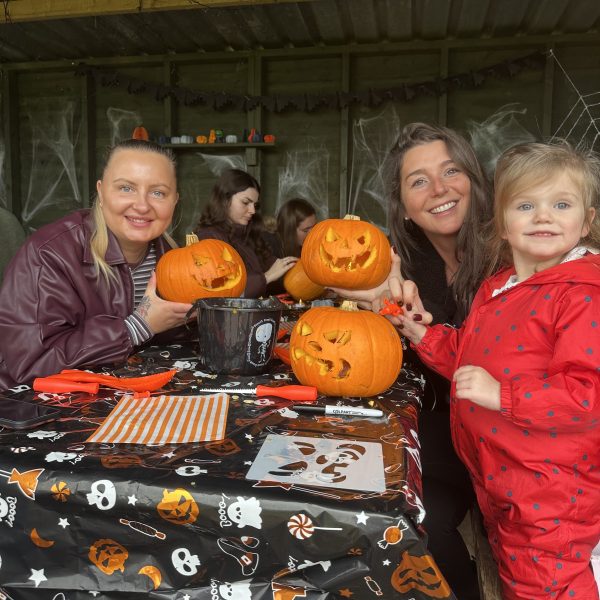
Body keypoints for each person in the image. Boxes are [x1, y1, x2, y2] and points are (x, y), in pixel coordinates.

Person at [398, 140, 600, 600]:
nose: (543, 216)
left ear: (586, 221)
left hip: (552, 490)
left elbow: (589, 394)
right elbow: (473, 358)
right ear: (503, 225)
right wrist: (422, 336)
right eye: (526, 205)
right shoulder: (502, 286)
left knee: (545, 585)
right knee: (513, 574)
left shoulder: (581, 294)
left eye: (561, 204)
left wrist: (504, 395)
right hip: (502, 477)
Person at [331, 122, 491, 600]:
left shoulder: (514, 251)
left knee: (429, 524)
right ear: (402, 204)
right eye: (419, 180)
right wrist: (383, 306)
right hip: (439, 435)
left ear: (474, 180)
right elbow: (375, 357)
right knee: (388, 509)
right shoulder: (402, 263)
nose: (439, 190)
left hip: (507, 436)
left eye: (451, 171)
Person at [0, 139, 193, 391]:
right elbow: (29, 363)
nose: (143, 205)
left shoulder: (174, 259)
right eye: (126, 188)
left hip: (132, 397)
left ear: (174, 201)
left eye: (158, 193)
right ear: (101, 193)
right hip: (41, 409)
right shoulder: (48, 254)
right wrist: (138, 326)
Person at [194, 169, 297, 298]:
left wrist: (308, 276)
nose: (253, 210)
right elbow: (221, 293)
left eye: (255, 205)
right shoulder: (207, 239)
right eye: (245, 202)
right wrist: (266, 277)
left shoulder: (249, 234)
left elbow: (277, 269)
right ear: (225, 199)